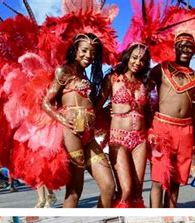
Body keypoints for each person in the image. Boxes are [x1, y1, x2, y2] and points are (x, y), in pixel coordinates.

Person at [42, 33, 115, 208]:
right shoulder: (64, 71)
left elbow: (90, 104)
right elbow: (46, 102)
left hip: (88, 136)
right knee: (74, 191)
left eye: (93, 53)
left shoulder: (83, 74)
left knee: (108, 186)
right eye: (84, 50)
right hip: (71, 135)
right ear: (75, 50)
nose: (88, 56)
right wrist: (62, 119)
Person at [148, 32, 195, 208]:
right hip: (162, 127)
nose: (186, 50)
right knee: (158, 179)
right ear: (175, 47)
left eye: (190, 47)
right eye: (182, 45)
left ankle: (170, 212)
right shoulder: (161, 69)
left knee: (176, 180)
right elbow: (143, 86)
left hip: (185, 131)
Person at [100, 43, 150, 207]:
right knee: (126, 189)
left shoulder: (145, 82)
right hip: (118, 138)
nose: (138, 62)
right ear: (128, 57)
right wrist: (106, 116)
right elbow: (96, 105)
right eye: (135, 58)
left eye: (142, 60)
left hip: (140, 140)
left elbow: (148, 111)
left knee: (137, 190)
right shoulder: (113, 78)